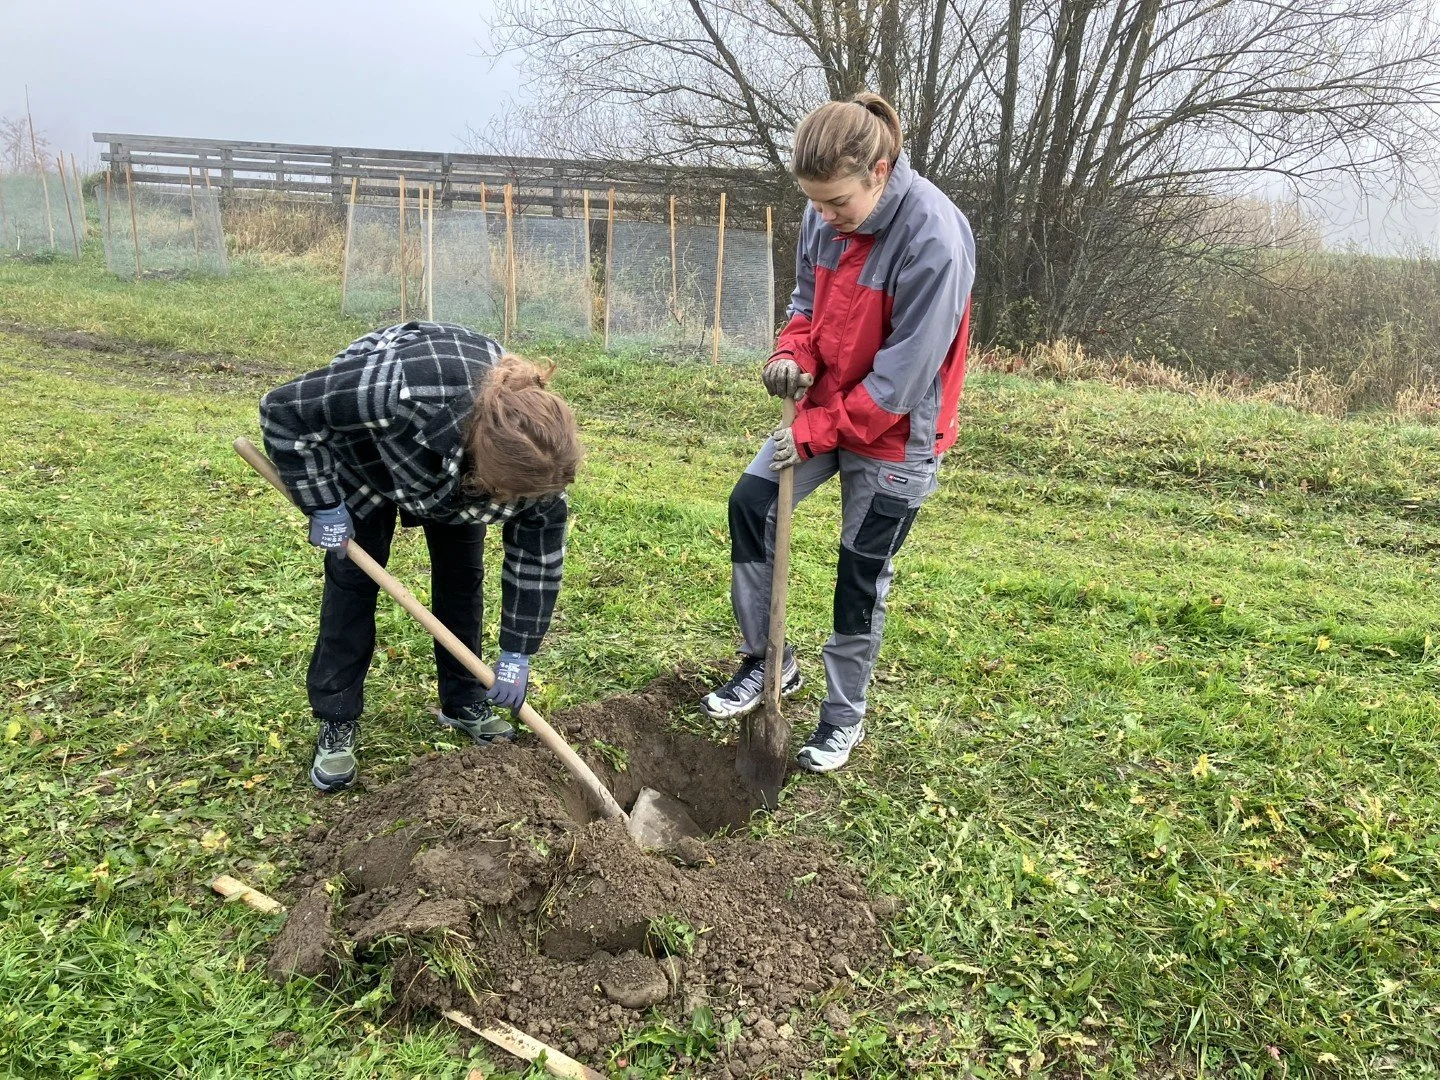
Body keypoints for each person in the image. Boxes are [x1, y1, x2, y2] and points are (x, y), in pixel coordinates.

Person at [701, 92, 976, 774]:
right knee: (750, 503)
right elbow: (806, 302)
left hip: (895, 437)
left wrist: (819, 427)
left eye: (838, 206)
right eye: (815, 205)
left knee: (859, 576)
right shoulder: (824, 207)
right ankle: (769, 662)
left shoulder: (934, 240)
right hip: (823, 408)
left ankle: (841, 719)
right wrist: (792, 352)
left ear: (879, 172)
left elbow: (900, 384)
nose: (825, 219)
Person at [259, 321, 581, 792]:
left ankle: (463, 700)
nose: (519, 507)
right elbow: (285, 409)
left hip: (462, 475)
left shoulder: (540, 463)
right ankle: (337, 719)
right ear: (483, 463)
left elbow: (537, 560)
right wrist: (323, 502)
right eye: (509, 497)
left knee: (461, 577)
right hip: (368, 453)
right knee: (353, 583)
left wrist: (517, 650)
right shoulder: (397, 391)